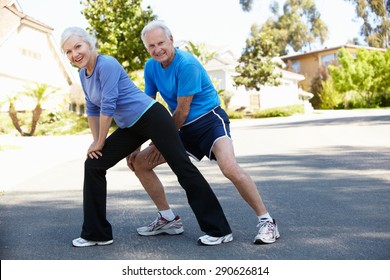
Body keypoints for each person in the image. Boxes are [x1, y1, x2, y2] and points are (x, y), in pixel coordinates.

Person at [60, 26, 232, 247]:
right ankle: (97, 233)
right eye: (68, 52)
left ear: (89, 44)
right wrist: (96, 143)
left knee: (182, 168)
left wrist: (101, 141)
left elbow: (108, 106)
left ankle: (219, 230)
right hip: (131, 126)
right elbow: (93, 109)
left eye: (78, 47)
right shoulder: (84, 75)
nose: (74, 54)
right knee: (94, 164)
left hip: (152, 117)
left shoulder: (107, 64)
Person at [127, 20, 280, 245]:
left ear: (171, 40)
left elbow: (182, 110)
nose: (157, 49)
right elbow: (146, 106)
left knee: (229, 167)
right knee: (139, 163)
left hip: (209, 121)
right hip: (181, 129)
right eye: (151, 46)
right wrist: (136, 145)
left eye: (161, 42)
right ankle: (167, 219)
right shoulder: (151, 67)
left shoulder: (186, 64)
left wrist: (160, 141)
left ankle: (267, 222)